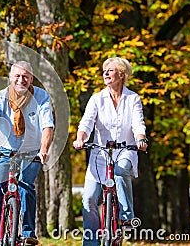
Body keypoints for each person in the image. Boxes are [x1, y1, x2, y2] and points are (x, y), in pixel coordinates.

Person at [73, 57, 148, 246]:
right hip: (100, 153)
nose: (105, 73)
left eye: (110, 70)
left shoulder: (133, 98)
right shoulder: (97, 98)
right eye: (104, 70)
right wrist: (81, 138)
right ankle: (91, 243)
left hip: (125, 151)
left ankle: (126, 216)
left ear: (121, 75)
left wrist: (140, 139)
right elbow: (87, 123)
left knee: (120, 170)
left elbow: (138, 123)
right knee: (89, 198)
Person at [0, 61, 54, 245]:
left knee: (26, 187)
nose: (21, 80)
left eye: (25, 76)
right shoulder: (1, 97)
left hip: (31, 151)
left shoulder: (42, 96)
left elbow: (47, 126)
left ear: (31, 79)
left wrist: (43, 150)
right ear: (11, 77)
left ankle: (28, 234)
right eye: (17, 76)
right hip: (5, 150)